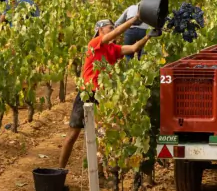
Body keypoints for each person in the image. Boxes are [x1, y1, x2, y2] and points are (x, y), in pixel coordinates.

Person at [58, 16, 157, 169]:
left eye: (112, 27)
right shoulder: (94, 43)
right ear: (100, 30)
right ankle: (60, 170)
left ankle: (100, 174)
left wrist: (148, 36)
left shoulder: (114, 49)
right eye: (109, 27)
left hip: (102, 98)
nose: (113, 29)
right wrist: (135, 19)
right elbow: (118, 31)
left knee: (102, 139)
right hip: (86, 94)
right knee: (72, 135)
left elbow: (133, 48)